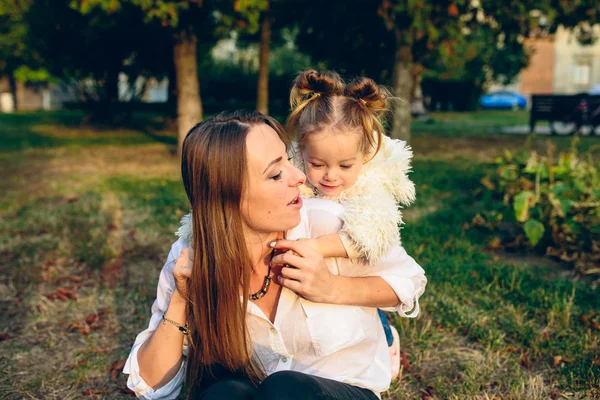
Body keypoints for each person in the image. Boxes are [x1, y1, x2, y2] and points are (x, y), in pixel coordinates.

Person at [123, 109, 426, 399]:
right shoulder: (191, 256)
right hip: (249, 388)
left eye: (288, 160)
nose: (298, 177)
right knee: (222, 393)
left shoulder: (328, 224)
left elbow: (409, 280)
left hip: (335, 390)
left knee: (283, 390)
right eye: (275, 174)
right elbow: (152, 387)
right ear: (228, 198)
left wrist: (333, 288)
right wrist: (180, 299)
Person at [285, 70, 417, 377]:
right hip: (316, 280)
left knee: (367, 308)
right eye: (317, 164)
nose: (331, 175)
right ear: (300, 151)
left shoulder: (369, 189)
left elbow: (372, 234)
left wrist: (315, 246)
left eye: (345, 166)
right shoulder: (294, 175)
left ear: (365, 154)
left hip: (360, 272)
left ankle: (387, 341)